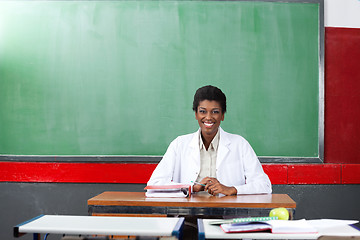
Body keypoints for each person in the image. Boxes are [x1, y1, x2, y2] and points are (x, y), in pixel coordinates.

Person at [147, 85, 271, 195]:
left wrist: (231, 189)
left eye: (215, 112)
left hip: (227, 217)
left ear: (222, 115)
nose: (208, 117)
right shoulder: (179, 144)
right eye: (202, 111)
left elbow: (264, 185)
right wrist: (192, 188)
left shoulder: (239, 144)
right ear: (196, 114)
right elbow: (154, 185)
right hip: (189, 216)